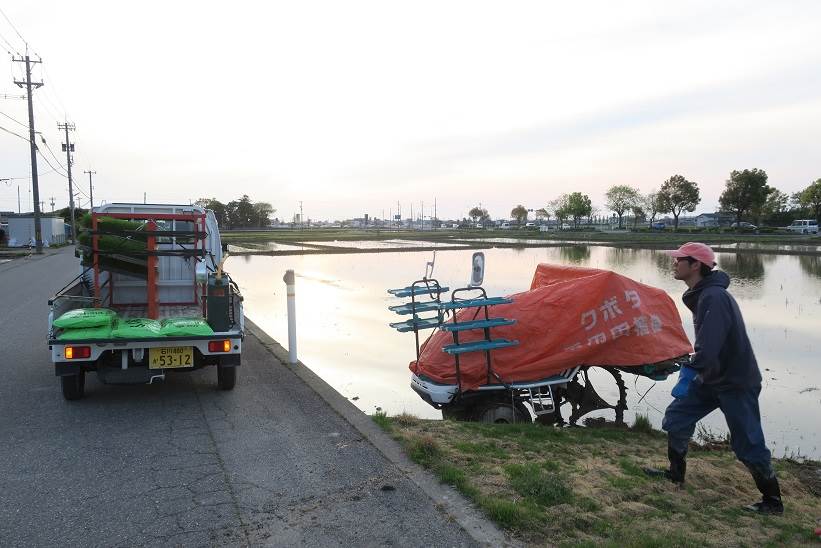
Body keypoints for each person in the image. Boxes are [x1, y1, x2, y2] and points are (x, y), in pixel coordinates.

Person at [645, 242, 783, 515]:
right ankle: (675, 474)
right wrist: (692, 366)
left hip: (735, 381)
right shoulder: (702, 294)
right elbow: (707, 352)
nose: (674, 263)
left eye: (679, 260)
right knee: (678, 417)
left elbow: (709, 348)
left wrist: (685, 365)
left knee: (747, 441)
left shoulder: (714, 298)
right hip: (711, 377)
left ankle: (772, 501)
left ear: (695, 265)